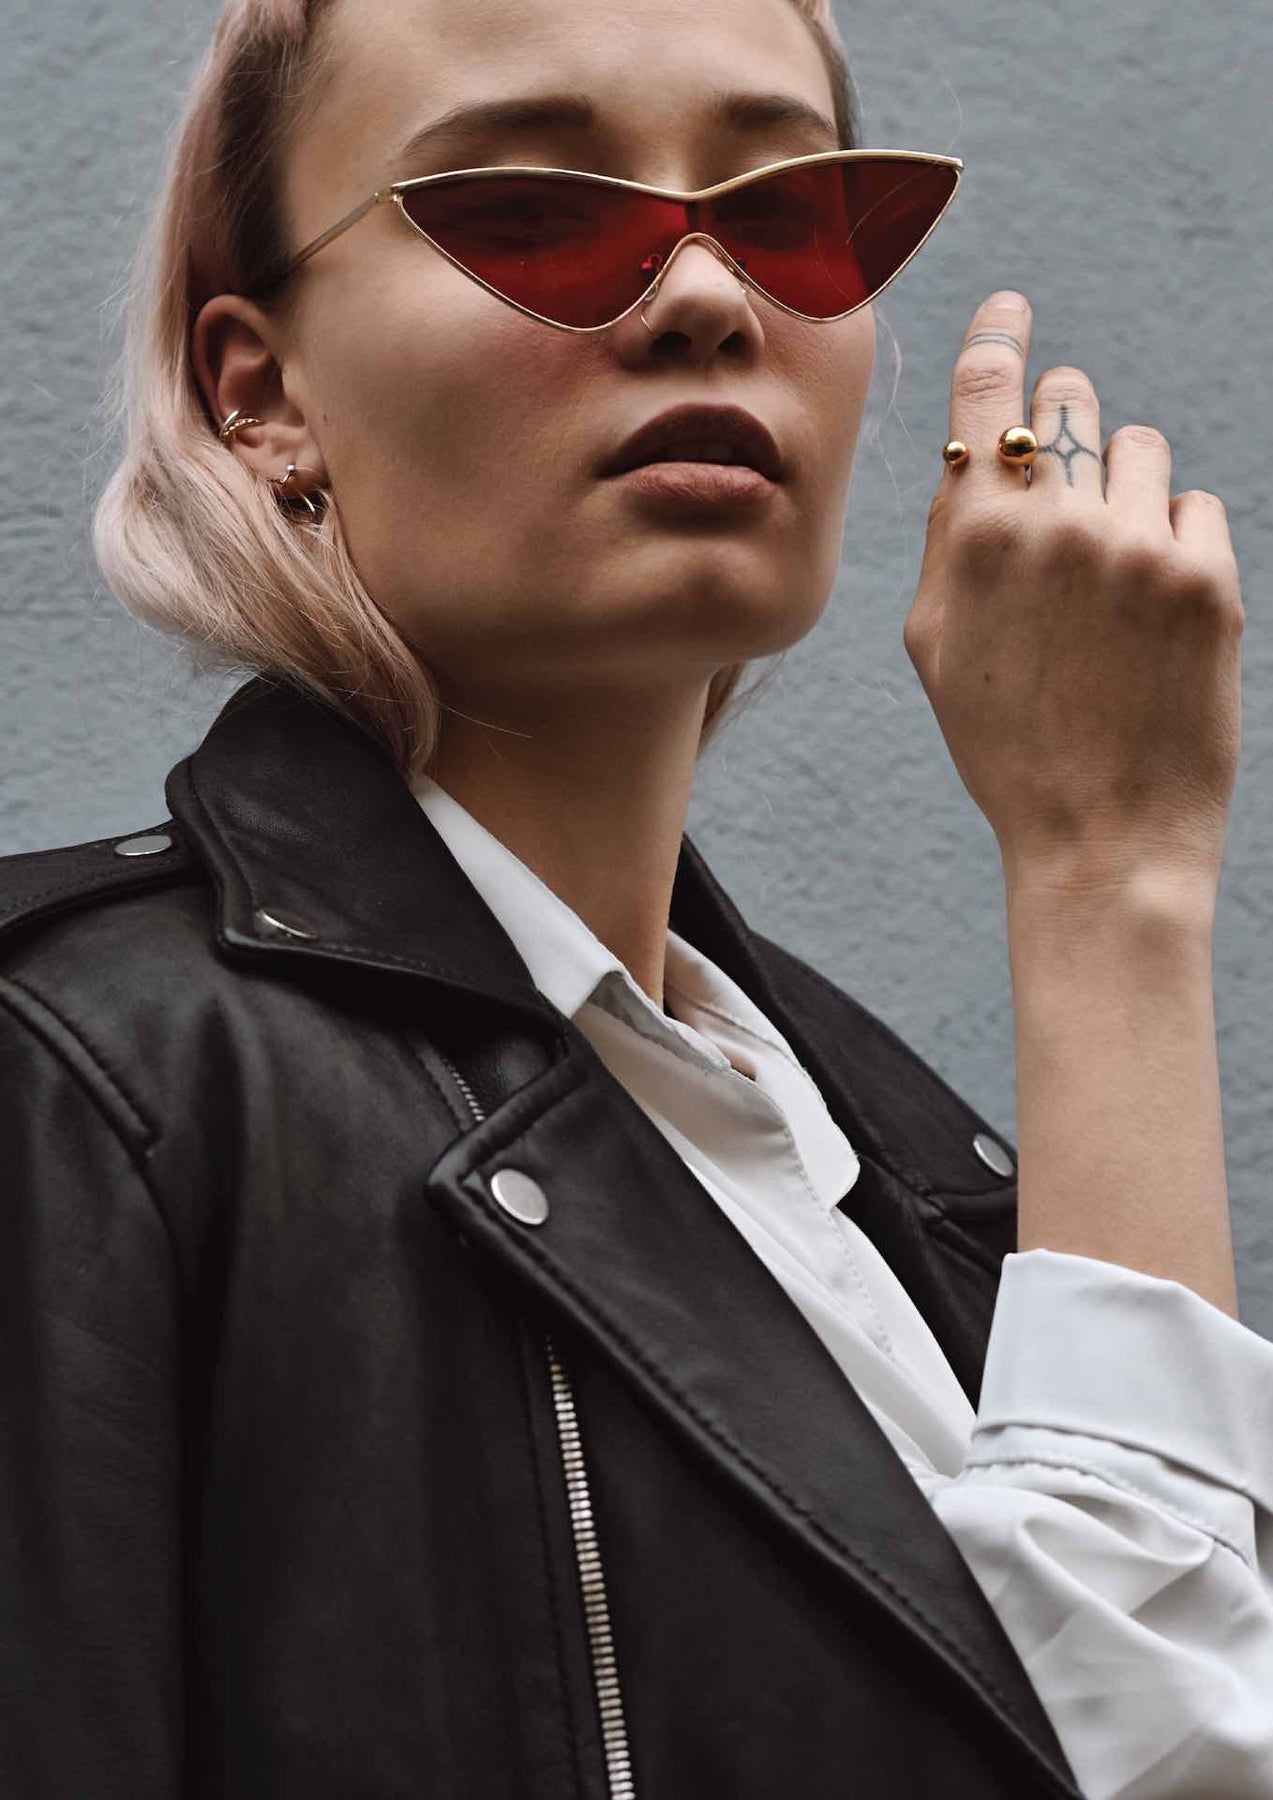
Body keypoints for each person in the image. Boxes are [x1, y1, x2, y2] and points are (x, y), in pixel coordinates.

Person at [1, 0, 1269, 1793]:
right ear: (258, 386)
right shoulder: (79, 1083)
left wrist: (1116, 880)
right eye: (531, 209)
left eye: (789, 214)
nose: (701, 298)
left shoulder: (880, 1167)